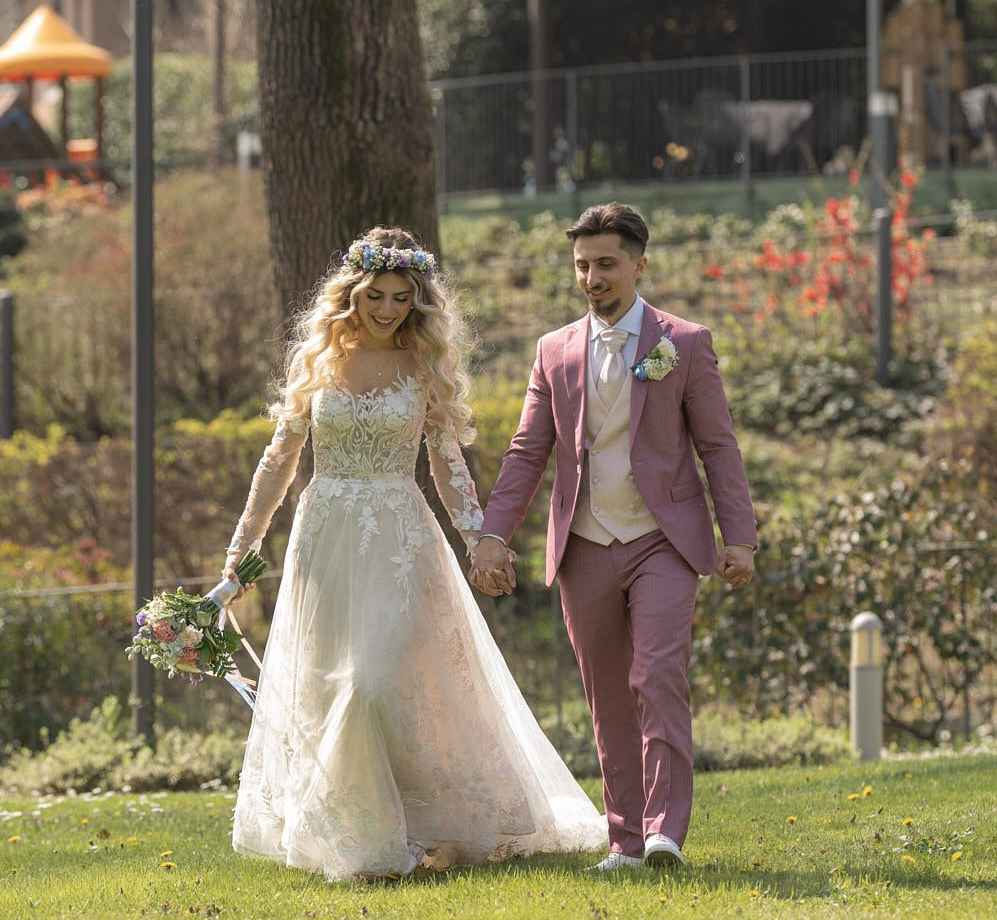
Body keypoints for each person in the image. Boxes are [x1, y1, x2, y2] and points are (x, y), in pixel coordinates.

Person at [222, 227, 608, 882]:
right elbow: (278, 460)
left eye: (402, 298)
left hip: (399, 541)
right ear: (352, 293)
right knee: (334, 686)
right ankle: (364, 841)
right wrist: (242, 550)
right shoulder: (317, 362)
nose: (388, 309)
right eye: (376, 295)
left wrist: (479, 540)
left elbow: (447, 463)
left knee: (375, 685)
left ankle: (406, 830)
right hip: (325, 541)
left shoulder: (423, 366)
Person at [469, 202, 757, 873]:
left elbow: (718, 446)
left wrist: (738, 537)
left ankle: (665, 833)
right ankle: (624, 841)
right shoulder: (554, 351)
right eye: (581, 266)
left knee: (657, 674)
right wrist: (493, 534)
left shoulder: (684, 344)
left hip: (664, 540)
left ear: (638, 265)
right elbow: (526, 452)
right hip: (585, 543)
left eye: (605, 264)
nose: (592, 278)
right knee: (607, 695)